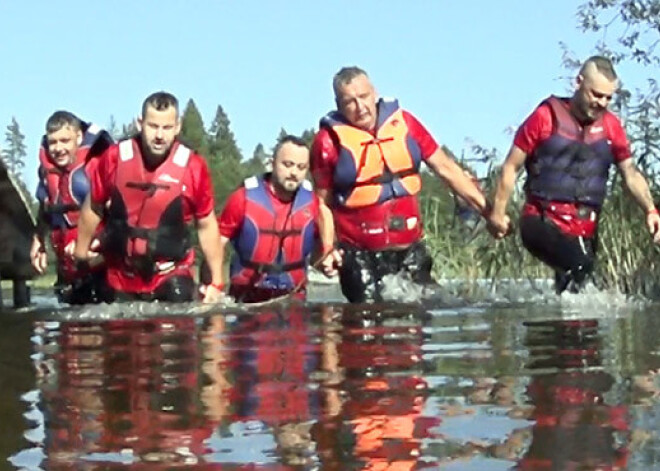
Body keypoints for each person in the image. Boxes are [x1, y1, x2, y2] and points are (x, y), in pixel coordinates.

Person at [311, 66, 492, 302]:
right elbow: (322, 204)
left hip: (409, 248)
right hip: (359, 254)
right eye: (350, 102)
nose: (360, 107)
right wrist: (326, 249)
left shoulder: (405, 124)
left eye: (364, 97)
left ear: (374, 92)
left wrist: (489, 212)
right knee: (367, 327)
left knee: (423, 316)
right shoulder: (327, 143)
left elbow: (446, 168)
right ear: (338, 104)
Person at [489, 56, 660, 294]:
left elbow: (629, 172)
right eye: (596, 94)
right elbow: (511, 166)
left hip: (585, 228)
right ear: (578, 82)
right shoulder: (544, 117)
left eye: (608, 98)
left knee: (575, 289)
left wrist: (651, 210)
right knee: (580, 270)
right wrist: (498, 213)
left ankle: (555, 328)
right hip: (541, 221)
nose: (601, 103)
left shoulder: (612, 127)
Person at [73, 92, 223, 303]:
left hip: (170, 275)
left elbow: (206, 224)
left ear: (177, 127)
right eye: (153, 126)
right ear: (140, 123)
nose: (160, 135)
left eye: (167, 127)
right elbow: (94, 207)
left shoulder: (194, 167)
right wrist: (81, 253)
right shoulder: (114, 158)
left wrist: (216, 283)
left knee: (174, 324)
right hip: (121, 276)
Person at [213, 135, 340, 303]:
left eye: (301, 167)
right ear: (272, 163)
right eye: (287, 165)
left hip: (293, 297)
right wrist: (213, 285)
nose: (294, 173)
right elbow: (215, 245)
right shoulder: (242, 198)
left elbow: (318, 252)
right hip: (247, 297)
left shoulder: (313, 204)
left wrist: (327, 259)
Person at [30, 111, 113, 304]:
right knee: (69, 328)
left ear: (79, 137)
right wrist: (38, 240)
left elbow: (120, 216)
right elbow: (45, 210)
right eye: (53, 142)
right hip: (67, 271)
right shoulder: (46, 174)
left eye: (64, 141)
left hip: (100, 266)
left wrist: (96, 243)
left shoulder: (95, 168)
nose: (58, 148)